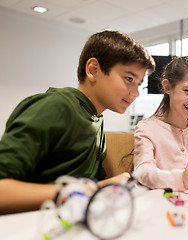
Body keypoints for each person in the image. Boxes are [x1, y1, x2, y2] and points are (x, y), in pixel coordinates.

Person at [0, 30, 156, 214]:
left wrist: (106, 186)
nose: (136, 93)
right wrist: (73, 192)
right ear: (93, 70)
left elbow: (89, 183)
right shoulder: (55, 107)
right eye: (129, 78)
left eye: (138, 84)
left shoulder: (95, 117)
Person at [133, 56, 188, 191]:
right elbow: (142, 172)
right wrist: (183, 179)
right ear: (167, 87)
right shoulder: (147, 128)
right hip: (162, 205)